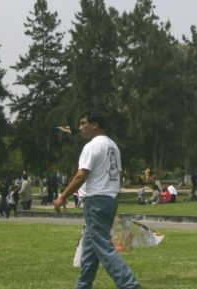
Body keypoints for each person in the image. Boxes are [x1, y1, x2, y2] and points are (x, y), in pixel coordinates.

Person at [54, 112, 140, 289]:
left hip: (96, 201)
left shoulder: (92, 146)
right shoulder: (113, 146)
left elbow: (81, 175)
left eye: (83, 123)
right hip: (109, 200)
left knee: (103, 247)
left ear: (96, 125)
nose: (80, 128)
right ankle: (83, 285)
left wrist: (63, 196)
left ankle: (130, 285)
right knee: (89, 250)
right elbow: (118, 175)